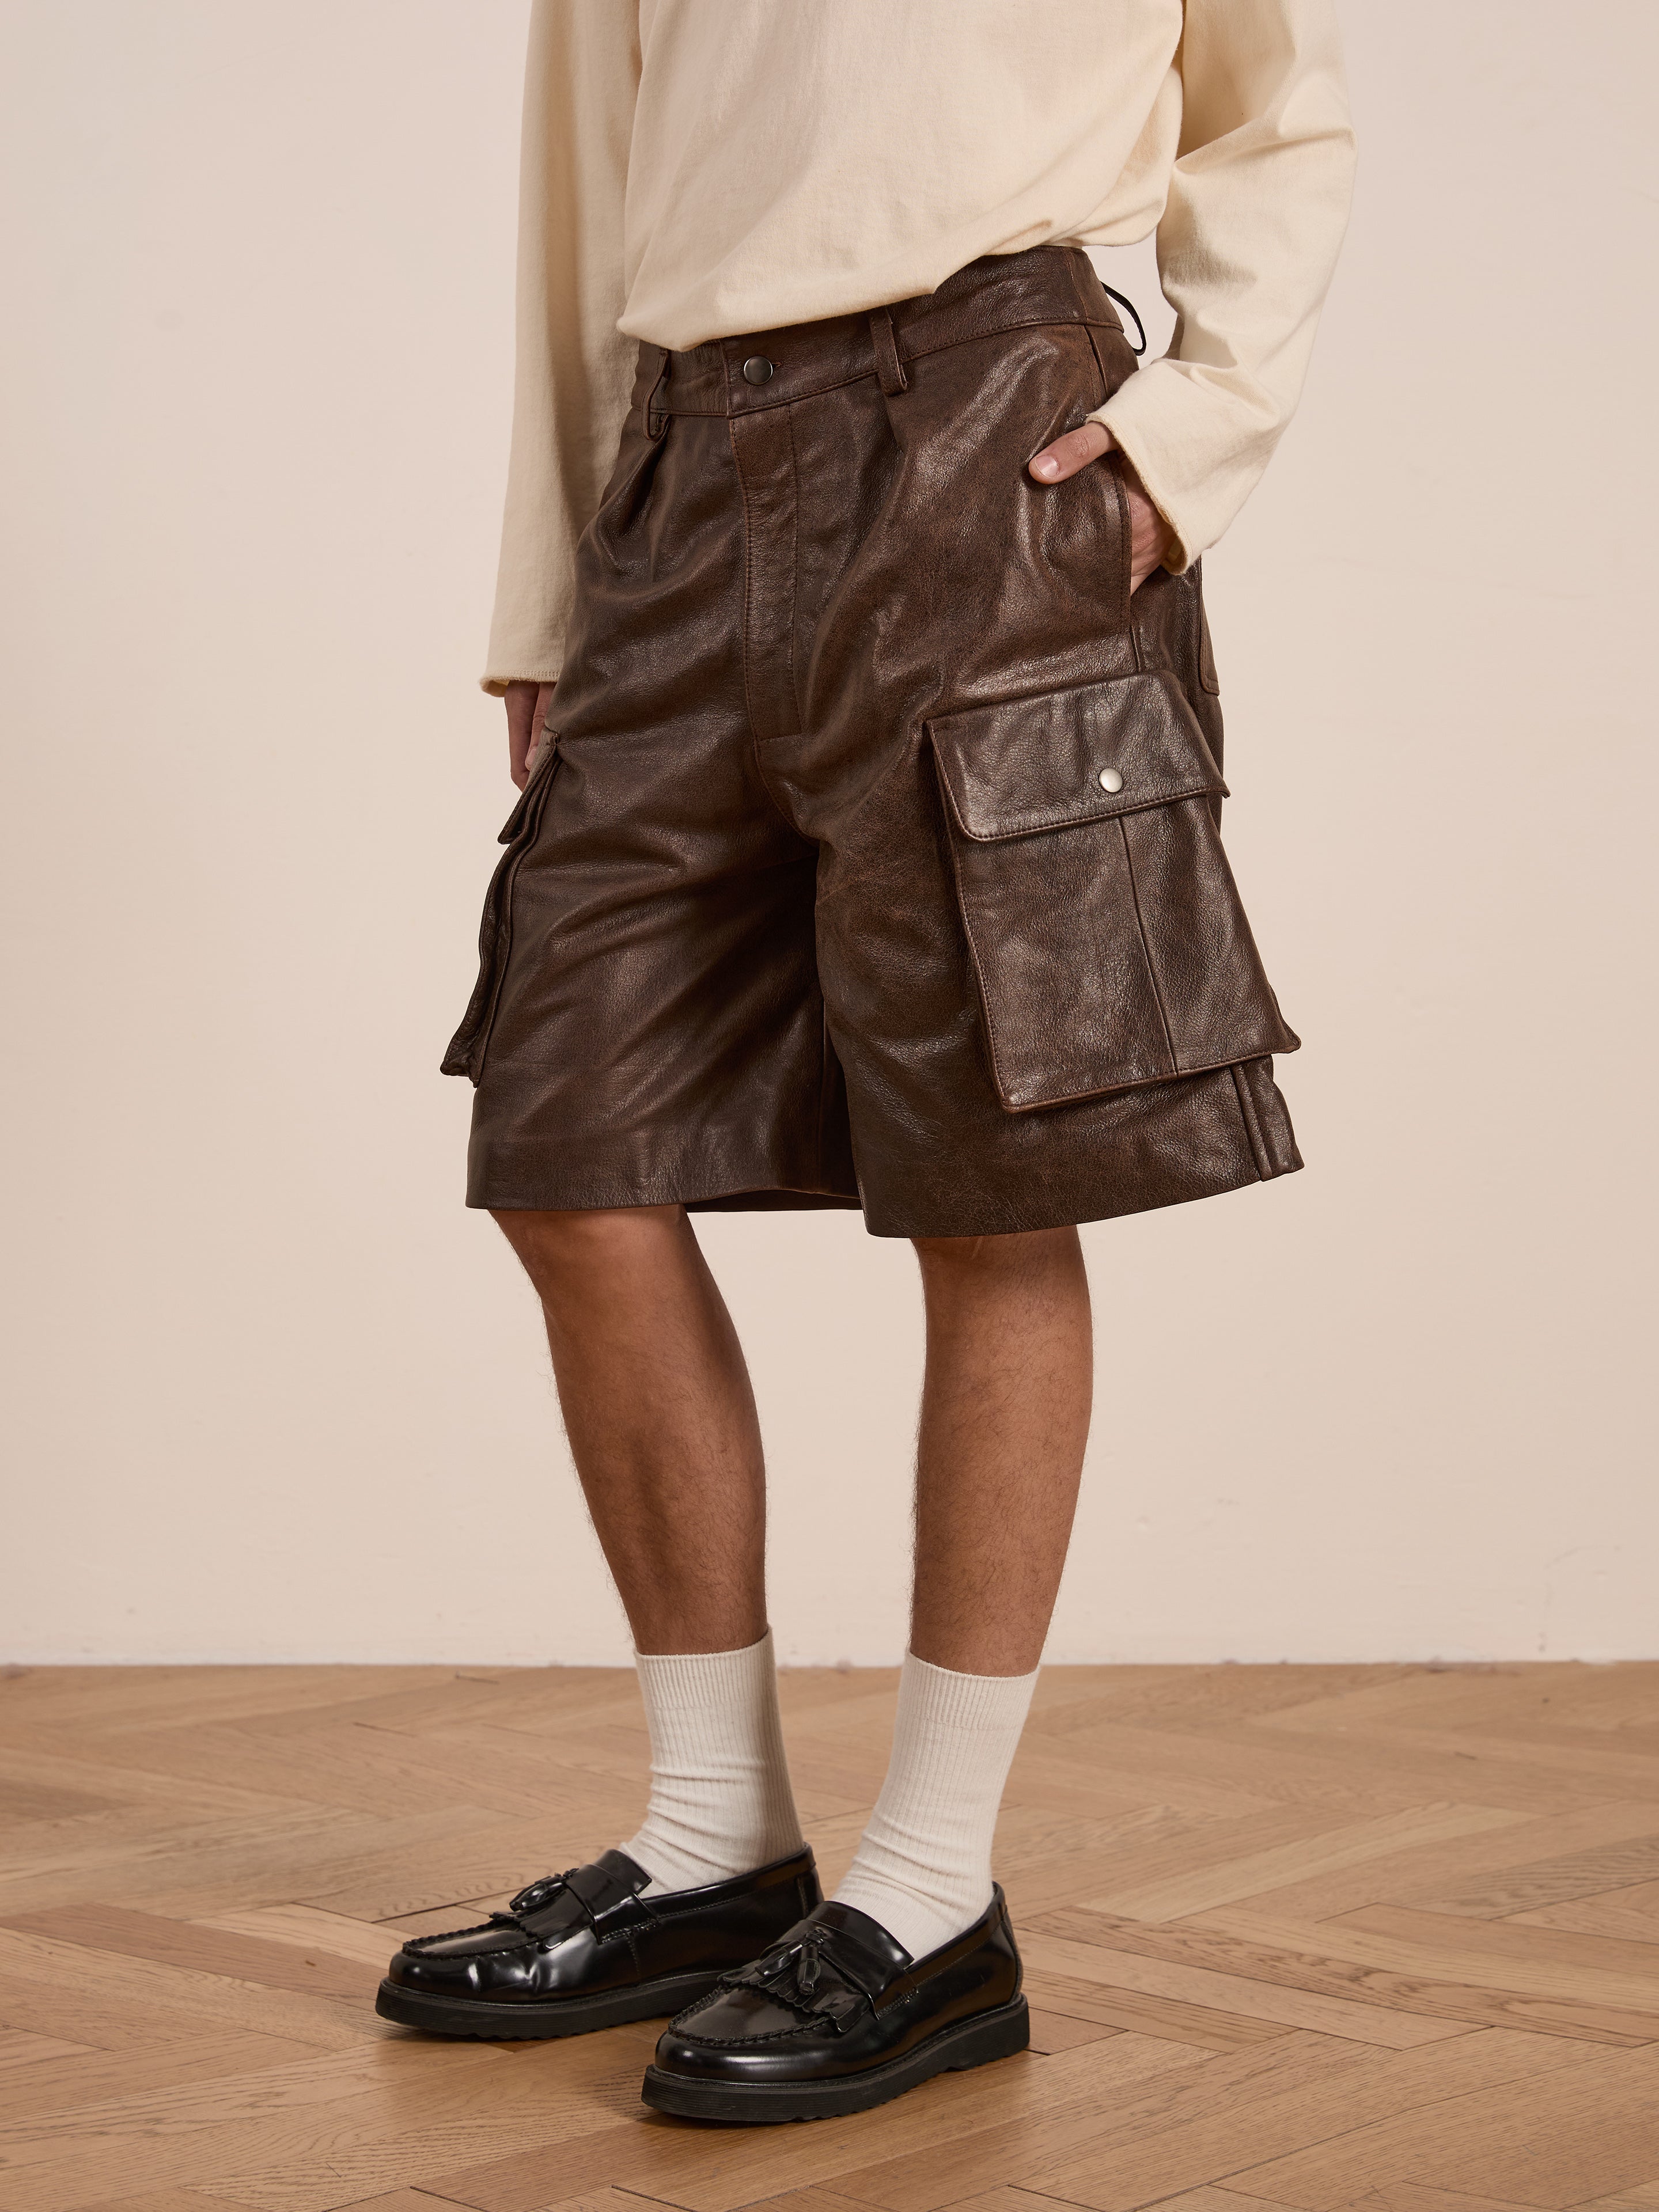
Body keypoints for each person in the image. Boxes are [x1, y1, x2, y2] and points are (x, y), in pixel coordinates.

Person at [376, 0, 1355, 2124]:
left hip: (991, 446)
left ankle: (928, 1895)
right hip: (678, 475)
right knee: (568, 1138)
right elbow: (582, 193)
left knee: (988, 1175)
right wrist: (550, 588)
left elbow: (1277, 109)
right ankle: (717, 1835)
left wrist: (1194, 445)